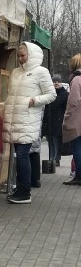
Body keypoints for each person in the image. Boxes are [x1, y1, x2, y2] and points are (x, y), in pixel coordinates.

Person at [3, 42, 55, 202]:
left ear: (31, 55)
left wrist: (34, 100)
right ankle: (20, 188)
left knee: (23, 155)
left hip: (28, 120)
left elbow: (51, 94)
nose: (20, 58)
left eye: (23, 55)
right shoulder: (16, 72)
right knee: (20, 155)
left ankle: (25, 192)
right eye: (18, 56)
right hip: (15, 120)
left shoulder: (41, 72)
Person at [62, 54, 81, 185]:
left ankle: (79, 175)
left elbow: (73, 101)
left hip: (77, 120)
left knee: (77, 147)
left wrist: (67, 116)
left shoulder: (76, 80)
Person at [43, 74, 68, 167]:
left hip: (58, 121)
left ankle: (56, 159)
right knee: (50, 141)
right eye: (54, 82)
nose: (56, 83)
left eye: (58, 81)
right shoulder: (50, 94)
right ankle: (51, 158)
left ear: (61, 82)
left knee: (56, 141)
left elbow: (66, 108)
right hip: (49, 121)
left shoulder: (65, 94)